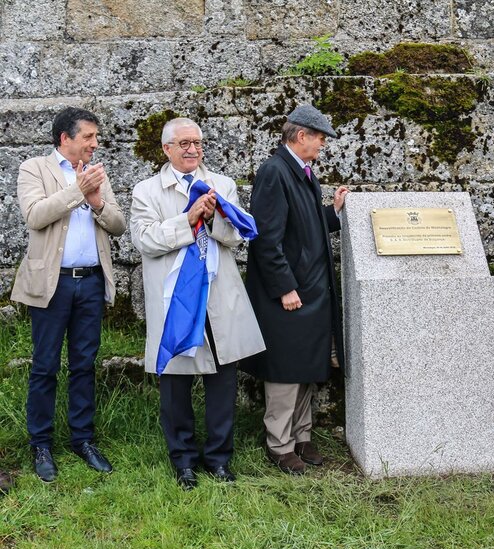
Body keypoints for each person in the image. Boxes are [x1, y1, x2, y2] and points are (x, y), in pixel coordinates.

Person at [130, 117, 265, 489]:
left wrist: (214, 216)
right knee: (175, 385)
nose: (193, 149)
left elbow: (236, 235)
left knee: (223, 381)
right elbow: (144, 240)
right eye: (184, 143)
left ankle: (219, 458)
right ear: (166, 149)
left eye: (198, 142)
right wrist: (187, 220)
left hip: (217, 295)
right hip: (176, 299)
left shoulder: (222, 184)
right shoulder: (147, 191)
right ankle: (184, 460)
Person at [11, 107, 126, 482]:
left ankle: (83, 439)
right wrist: (78, 190)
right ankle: (41, 444)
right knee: (45, 365)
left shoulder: (96, 173)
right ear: (65, 138)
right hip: (52, 283)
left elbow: (118, 225)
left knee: (84, 364)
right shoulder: (34, 168)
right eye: (88, 136)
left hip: (90, 282)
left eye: (96, 137)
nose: (95, 143)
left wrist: (96, 201)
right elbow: (35, 215)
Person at [241, 105, 349, 475]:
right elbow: (266, 238)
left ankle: (301, 436)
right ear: (301, 135)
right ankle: (279, 444)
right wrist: (284, 287)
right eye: (320, 138)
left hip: (312, 290)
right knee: (285, 370)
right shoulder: (274, 172)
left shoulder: (303, 172)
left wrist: (333, 212)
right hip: (289, 293)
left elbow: (305, 225)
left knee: (306, 366)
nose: (323, 145)